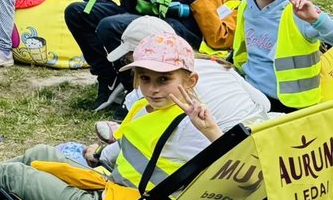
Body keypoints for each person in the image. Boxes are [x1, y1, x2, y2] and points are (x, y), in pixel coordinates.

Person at [0, 33, 223, 200]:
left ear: (190, 81)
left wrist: (211, 132)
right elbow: (129, 148)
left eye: (163, 79)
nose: (152, 89)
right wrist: (98, 156)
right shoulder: (145, 107)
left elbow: (235, 174)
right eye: (145, 78)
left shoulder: (190, 126)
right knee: (39, 153)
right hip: (111, 191)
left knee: (12, 175)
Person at [66, 0, 250, 110]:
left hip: (183, 36)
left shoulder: (240, 6)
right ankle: (108, 78)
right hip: (157, 18)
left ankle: (134, 92)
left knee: (111, 25)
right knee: (77, 12)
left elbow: (219, 38)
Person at [94, 17, 270, 144]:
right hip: (264, 131)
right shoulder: (217, 64)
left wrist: (100, 152)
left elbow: (133, 142)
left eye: (128, 58)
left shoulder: (144, 94)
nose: (154, 87)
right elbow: (264, 103)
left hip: (223, 150)